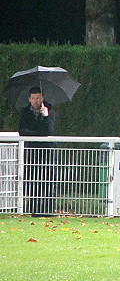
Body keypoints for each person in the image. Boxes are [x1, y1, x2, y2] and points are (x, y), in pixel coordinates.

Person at [18, 87, 58, 216]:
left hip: (48, 153)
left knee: (49, 181)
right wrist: (38, 134)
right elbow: (23, 131)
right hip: (32, 152)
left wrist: (45, 117)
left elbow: (50, 132)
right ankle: (34, 210)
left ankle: (48, 211)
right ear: (29, 99)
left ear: (42, 98)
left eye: (38, 98)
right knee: (33, 181)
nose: (36, 101)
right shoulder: (25, 113)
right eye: (33, 98)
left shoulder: (50, 111)